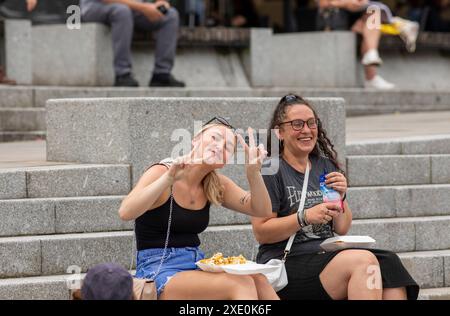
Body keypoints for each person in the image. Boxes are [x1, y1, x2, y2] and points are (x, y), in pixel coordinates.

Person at [252, 94, 419, 300]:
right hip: (287, 261)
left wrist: (341, 196)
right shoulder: (271, 169)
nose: (306, 130)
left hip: (325, 253)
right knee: (363, 262)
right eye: (297, 124)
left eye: (311, 123)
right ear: (279, 132)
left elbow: (341, 228)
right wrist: (303, 217)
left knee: (390, 264)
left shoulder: (324, 166)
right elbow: (262, 232)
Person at [118, 117, 279, 300]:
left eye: (227, 147)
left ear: (224, 162)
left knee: (258, 279)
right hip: (157, 269)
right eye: (214, 138)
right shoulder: (162, 172)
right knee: (240, 283)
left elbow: (263, 210)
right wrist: (168, 180)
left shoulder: (216, 184)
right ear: (195, 140)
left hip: (196, 264)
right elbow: (125, 212)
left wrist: (253, 173)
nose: (219, 146)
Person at [80, 0, 185, 87]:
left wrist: (160, 2)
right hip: (96, 6)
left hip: (134, 7)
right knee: (122, 11)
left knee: (170, 15)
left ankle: (162, 74)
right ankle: (122, 74)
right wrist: (143, 7)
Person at [317, 0, 419, 89]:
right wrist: (346, 3)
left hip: (358, 20)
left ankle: (371, 55)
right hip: (334, 20)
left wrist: (359, 3)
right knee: (371, 28)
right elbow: (323, 4)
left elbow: (364, 2)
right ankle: (371, 75)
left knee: (373, 14)